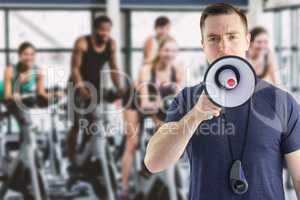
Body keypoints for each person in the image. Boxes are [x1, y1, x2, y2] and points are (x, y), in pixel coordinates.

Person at [144, 3, 300, 200]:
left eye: (232, 37)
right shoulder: (187, 100)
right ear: (203, 45)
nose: (223, 47)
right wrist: (194, 116)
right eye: (213, 38)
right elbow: (153, 162)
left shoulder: (281, 102)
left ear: (247, 41)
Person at [66, 15, 124, 198]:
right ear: (95, 30)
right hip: (76, 85)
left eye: (107, 30)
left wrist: (120, 88)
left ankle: (89, 158)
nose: (105, 33)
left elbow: (114, 68)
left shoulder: (111, 44)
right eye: (102, 30)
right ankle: (73, 160)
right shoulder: (82, 43)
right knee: (77, 124)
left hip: (95, 86)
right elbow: (74, 69)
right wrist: (81, 87)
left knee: (94, 122)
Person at [120, 36, 184, 199]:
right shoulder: (146, 69)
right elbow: (145, 102)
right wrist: (157, 117)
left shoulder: (178, 70)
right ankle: (125, 189)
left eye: (173, 51)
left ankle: (153, 172)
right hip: (135, 102)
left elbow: (178, 98)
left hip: (159, 104)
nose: (169, 54)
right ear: (159, 51)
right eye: (166, 50)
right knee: (132, 142)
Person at [1, 42, 60, 142]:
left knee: (26, 123)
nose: (29, 57)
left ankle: (25, 152)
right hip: (3, 97)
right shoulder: (10, 70)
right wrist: (23, 97)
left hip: (18, 99)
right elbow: (7, 96)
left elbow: (41, 93)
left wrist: (55, 94)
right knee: (26, 121)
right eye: (25, 54)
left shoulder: (38, 71)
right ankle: (26, 148)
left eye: (32, 54)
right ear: (19, 55)